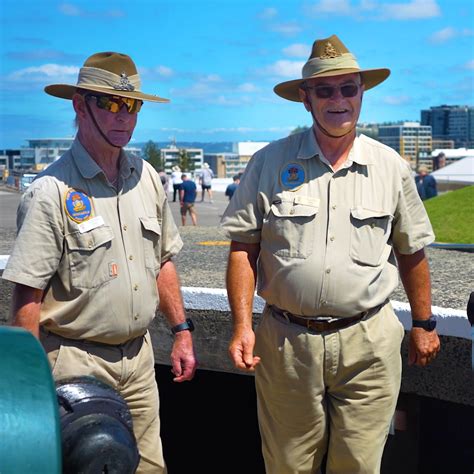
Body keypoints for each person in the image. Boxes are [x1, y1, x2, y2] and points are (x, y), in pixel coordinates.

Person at [221, 34, 440, 474]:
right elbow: (243, 249)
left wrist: (423, 323)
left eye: (348, 88)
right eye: (324, 90)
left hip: (369, 344)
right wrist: (242, 326)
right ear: (306, 99)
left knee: (359, 464)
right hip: (286, 343)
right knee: (287, 464)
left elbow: (411, 250)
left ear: (362, 92)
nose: (337, 99)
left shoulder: (390, 166)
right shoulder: (268, 163)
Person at [2, 51, 198, 474]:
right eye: (110, 103)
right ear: (79, 105)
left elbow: (163, 260)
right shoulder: (49, 191)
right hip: (75, 362)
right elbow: (27, 295)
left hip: (140, 359)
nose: (123, 116)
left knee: (150, 467)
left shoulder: (145, 176)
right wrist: (31, 387)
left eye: (132, 105)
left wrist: (181, 331)